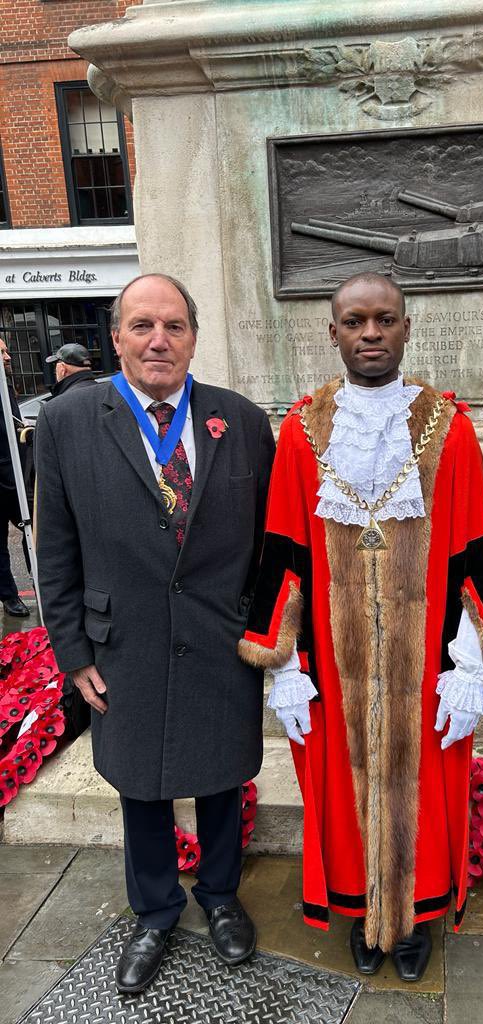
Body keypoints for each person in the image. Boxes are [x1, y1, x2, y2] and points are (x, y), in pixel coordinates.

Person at [239, 272, 483, 982]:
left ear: (405, 328)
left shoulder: (448, 429)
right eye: (356, 321)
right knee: (340, 786)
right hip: (333, 662)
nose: (371, 333)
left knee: (428, 791)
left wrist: (471, 661)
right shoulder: (301, 432)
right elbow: (283, 549)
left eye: (385, 320)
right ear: (332, 331)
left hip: (425, 660)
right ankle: (365, 913)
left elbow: (473, 547)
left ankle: (416, 916)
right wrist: (284, 664)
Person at [35, 274, 275, 994]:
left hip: (219, 640)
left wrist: (271, 638)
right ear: (117, 339)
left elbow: (270, 543)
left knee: (224, 774)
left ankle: (221, 896)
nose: (158, 340)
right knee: (139, 783)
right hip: (123, 644)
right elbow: (55, 550)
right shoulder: (69, 422)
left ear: (194, 337)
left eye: (173, 325)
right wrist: (73, 652)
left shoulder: (241, 421)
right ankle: (155, 910)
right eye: (142, 326)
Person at [0, 337, 29, 617]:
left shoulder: (7, 387)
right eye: (2, 353)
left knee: (34, 530)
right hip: (5, 478)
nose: (8, 357)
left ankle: (42, 581)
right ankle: (9, 596)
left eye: (7, 350)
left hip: (19, 476)